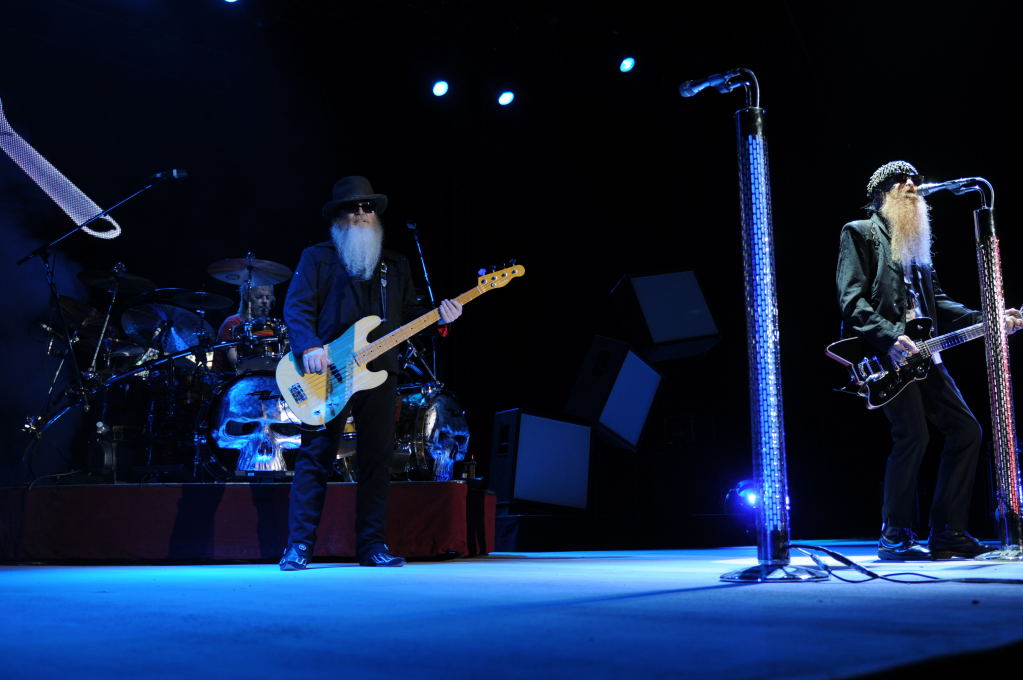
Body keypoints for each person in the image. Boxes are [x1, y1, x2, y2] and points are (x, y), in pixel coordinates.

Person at [836, 160, 1023, 560]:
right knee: (913, 435)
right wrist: (888, 338)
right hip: (886, 353)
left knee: (966, 431)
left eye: (916, 179)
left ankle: (947, 532)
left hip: (925, 354)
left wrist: (990, 317)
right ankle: (895, 533)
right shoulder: (861, 232)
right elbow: (852, 300)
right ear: (881, 192)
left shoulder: (915, 242)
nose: (912, 185)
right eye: (901, 180)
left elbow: (938, 302)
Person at [279, 176, 462, 569]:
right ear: (338, 216)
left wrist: (441, 317)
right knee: (316, 456)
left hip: (380, 371)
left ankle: (372, 545)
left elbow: (410, 315)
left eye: (368, 207)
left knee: (377, 460)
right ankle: (299, 545)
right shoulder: (317, 257)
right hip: (327, 371)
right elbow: (296, 307)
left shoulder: (395, 265)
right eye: (353, 207)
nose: (362, 214)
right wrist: (309, 345)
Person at [211, 284, 277, 373]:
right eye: (259, 297)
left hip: (256, 374)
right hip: (228, 378)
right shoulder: (233, 323)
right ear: (247, 299)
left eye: (268, 297)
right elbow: (235, 363)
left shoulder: (267, 326)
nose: (265, 301)